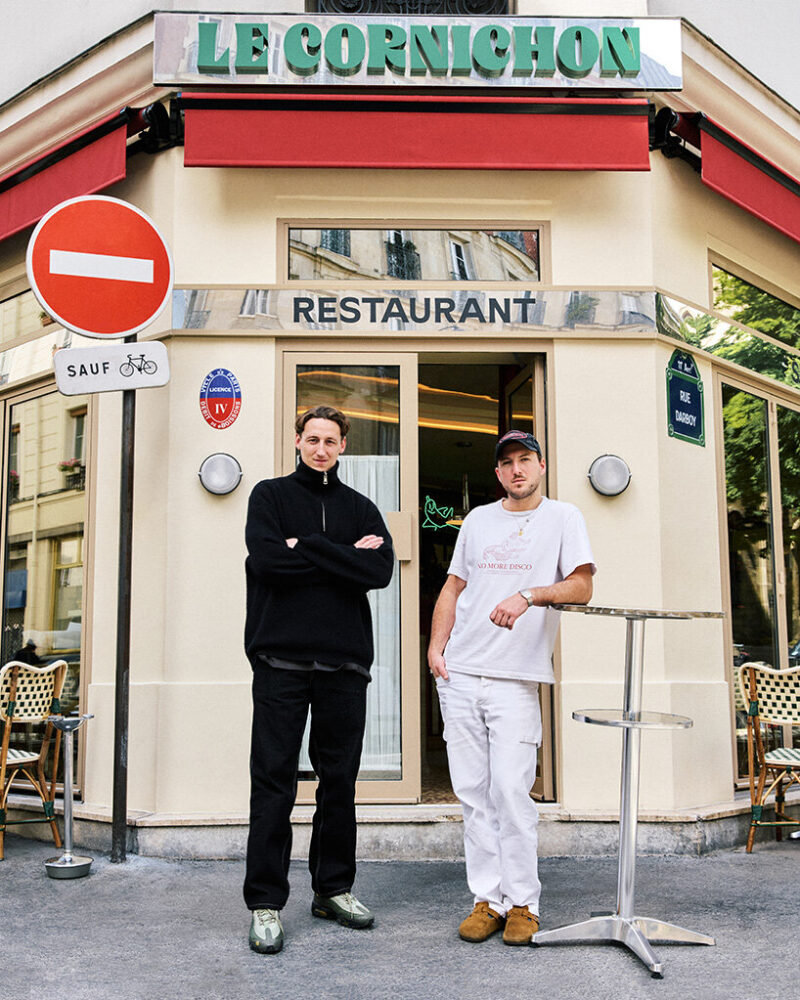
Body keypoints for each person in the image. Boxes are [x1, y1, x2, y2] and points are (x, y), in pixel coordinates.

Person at [427, 429, 595, 946]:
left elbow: (583, 586)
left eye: (526, 460)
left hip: (515, 678)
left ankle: (524, 902)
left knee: (510, 791)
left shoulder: (563, 518)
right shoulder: (477, 520)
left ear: (541, 466)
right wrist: (436, 649)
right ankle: (488, 900)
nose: (517, 469)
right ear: (498, 473)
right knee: (474, 795)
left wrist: (529, 594)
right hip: (460, 672)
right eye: (507, 463)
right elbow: (453, 587)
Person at [243, 404, 394, 955]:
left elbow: (378, 571)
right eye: (313, 438)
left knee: (339, 786)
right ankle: (264, 903)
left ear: (343, 446)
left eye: (331, 440)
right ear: (299, 441)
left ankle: (333, 889)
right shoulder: (270, 496)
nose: (322, 448)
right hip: (280, 665)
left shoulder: (361, 507)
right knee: (274, 785)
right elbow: (264, 562)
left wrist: (302, 546)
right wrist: (341, 557)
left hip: (344, 666)